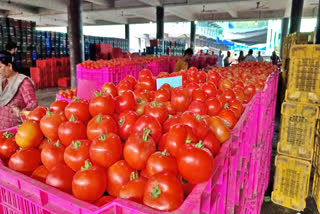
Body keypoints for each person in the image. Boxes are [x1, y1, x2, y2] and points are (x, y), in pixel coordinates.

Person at [0, 51, 37, 129]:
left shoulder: (23, 82)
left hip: (16, 130)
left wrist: (21, 112)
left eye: (0, 67)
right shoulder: (2, 81)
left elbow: (33, 104)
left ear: (9, 66)